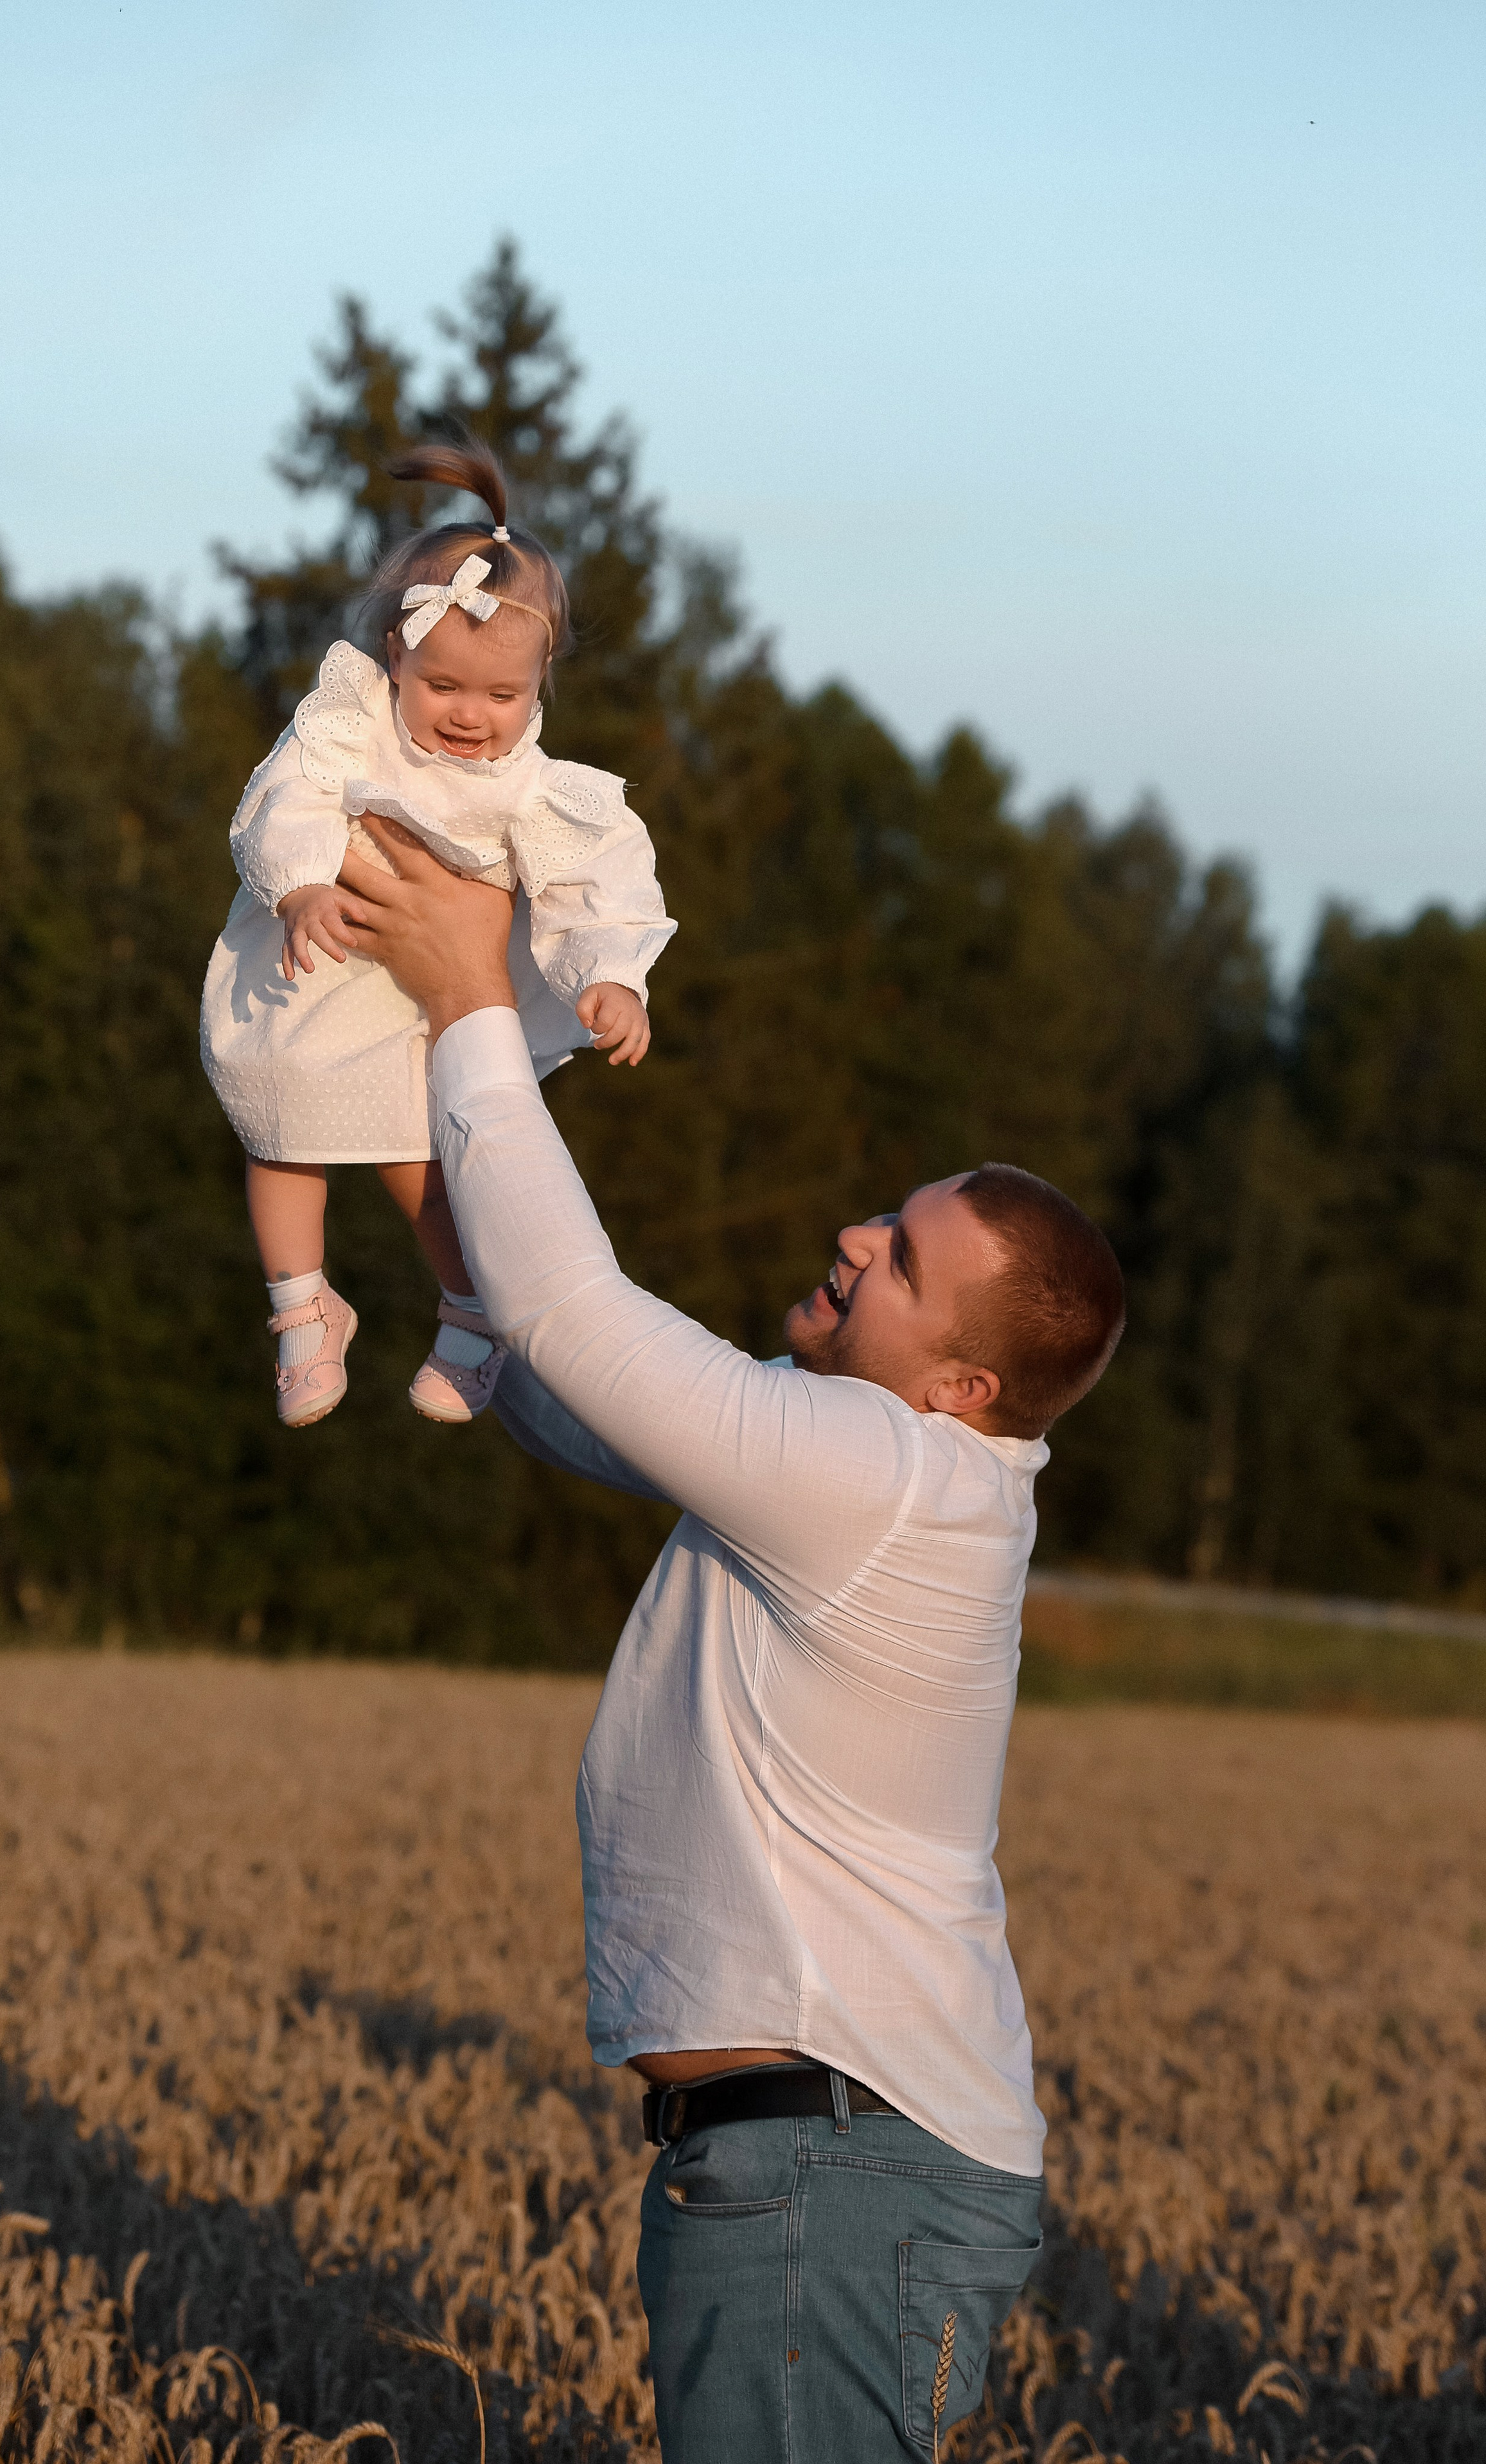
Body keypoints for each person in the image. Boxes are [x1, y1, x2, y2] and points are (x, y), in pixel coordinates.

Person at [331, 817, 1126, 2463]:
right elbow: (557, 1392)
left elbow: (577, 1318)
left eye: (899, 1259)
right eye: (881, 1217)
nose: (852, 1236)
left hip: (837, 2166)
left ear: (959, 1386)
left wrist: (477, 996)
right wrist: (404, 1120)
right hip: (816, 2163)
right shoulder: (877, 1469)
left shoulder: (893, 1480)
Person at [199, 438, 675, 1431]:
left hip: (419, 1000)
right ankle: (301, 1304)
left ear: (541, 683)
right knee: (276, 1125)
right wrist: (297, 888)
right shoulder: (349, 723)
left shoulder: (530, 790)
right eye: (443, 687)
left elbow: (599, 885)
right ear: (396, 658)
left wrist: (612, 977)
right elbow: (287, 796)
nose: (470, 716)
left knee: (421, 1162)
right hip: (317, 959)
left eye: (503, 696)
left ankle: (472, 1312)